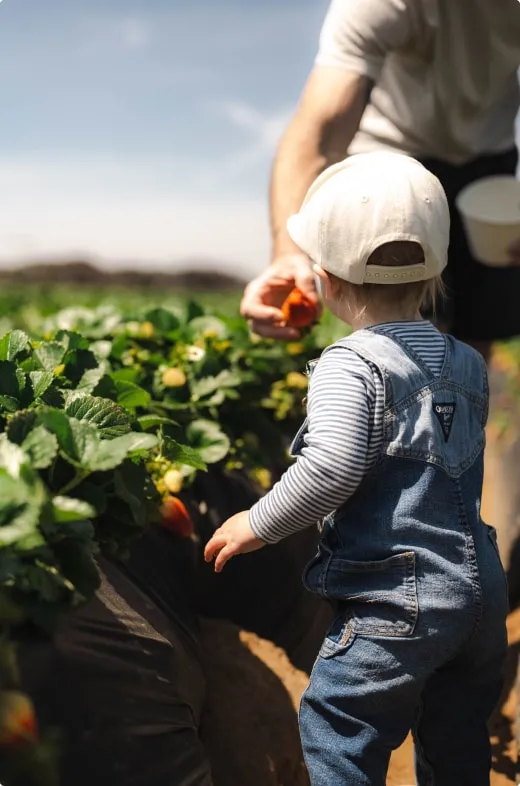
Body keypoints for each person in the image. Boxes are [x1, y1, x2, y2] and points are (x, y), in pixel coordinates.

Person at [205, 151, 509, 785]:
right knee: (456, 740)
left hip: (398, 599)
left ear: (323, 277)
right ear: (439, 267)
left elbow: (332, 470)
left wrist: (255, 522)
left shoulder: (352, 365)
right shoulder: (468, 364)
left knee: (338, 725)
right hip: (480, 592)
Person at [241, 0, 520, 362]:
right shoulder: (380, 4)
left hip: (488, 154)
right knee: (382, 318)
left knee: (478, 326)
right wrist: (287, 255)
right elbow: (320, 135)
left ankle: (461, 409)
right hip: (389, 158)